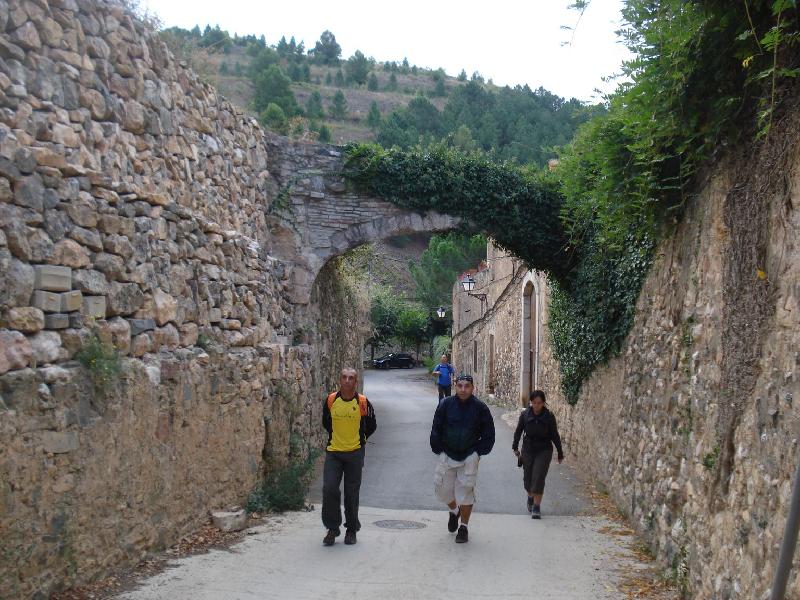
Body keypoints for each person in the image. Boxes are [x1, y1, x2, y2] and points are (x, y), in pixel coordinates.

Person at [430, 374, 495, 543]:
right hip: (447, 453)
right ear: (455, 386)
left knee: (466, 491)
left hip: (469, 455)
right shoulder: (445, 405)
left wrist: (478, 452)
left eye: (467, 386)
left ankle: (463, 527)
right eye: (460, 385)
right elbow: (436, 427)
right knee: (442, 490)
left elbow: (489, 433)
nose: (463, 389)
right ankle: (454, 511)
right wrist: (438, 448)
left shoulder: (480, 408)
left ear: (473, 387)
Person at [321, 367, 377, 546]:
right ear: (339, 380)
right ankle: (332, 527)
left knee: (351, 494)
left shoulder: (362, 402)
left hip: (354, 453)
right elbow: (326, 422)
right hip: (334, 452)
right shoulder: (331, 400)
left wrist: (361, 441)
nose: (347, 381)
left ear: (356, 382)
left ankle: (351, 530)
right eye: (344, 377)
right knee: (329, 489)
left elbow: (371, 424)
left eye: (351, 378)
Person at [512, 389, 564, 519]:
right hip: (528, 449)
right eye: (534, 403)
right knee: (528, 478)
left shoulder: (549, 416)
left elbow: (555, 435)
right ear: (531, 402)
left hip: (544, 450)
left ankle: (536, 506)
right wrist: (515, 446)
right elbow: (518, 431)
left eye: (539, 403)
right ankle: (530, 496)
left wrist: (560, 452)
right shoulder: (525, 415)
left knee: (539, 476)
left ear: (543, 403)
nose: (536, 406)